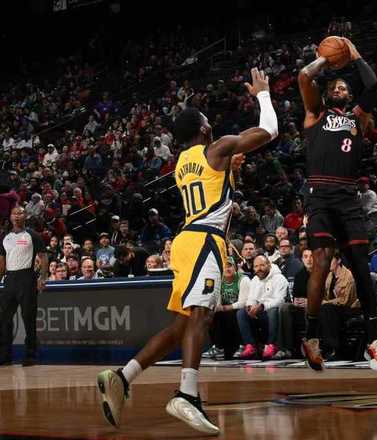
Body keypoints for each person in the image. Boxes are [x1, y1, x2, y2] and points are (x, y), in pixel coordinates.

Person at [96, 68, 277, 434]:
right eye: (208, 120)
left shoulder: (182, 162)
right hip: (205, 241)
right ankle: (187, 394)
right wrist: (263, 94)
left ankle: (122, 376)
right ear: (204, 128)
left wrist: (231, 170)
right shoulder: (217, 147)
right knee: (200, 317)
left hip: (186, 242)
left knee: (182, 325)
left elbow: (213, 186)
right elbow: (270, 130)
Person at [297, 38, 377, 370]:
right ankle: (312, 336)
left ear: (349, 95)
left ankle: (374, 340)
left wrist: (354, 53)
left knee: (361, 266)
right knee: (321, 261)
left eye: (343, 86)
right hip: (319, 194)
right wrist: (324, 58)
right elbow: (304, 77)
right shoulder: (315, 113)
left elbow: (373, 87)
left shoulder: (359, 118)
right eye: (333, 86)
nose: (338, 88)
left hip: (348, 196)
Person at [0, 207, 48, 366]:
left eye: (20, 213)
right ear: (10, 217)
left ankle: (30, 355)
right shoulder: (5, 237)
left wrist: (43, 277)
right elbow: (2, 261)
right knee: (4, 318)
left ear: (25, 216)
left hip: (27, 278)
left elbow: (43, 256)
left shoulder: (32, 235)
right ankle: (5, 355)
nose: (17, 216)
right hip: (9, 279)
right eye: (14, 213)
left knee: (28, 317)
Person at [237, 255, 288, 360]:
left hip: (275, 315)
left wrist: (262, 306)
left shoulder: (280, 278)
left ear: (269, 265)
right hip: (260, 314)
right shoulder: (255, 280)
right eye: (256, 266)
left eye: (262, 265)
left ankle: (271, 346)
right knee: (241, 313)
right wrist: (250, 307)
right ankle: (250, 346)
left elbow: (280, 300)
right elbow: (251, 298)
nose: (259, 269)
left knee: (272, 310)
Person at [206, 257, 249, 360]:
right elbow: (217, 301)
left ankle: (241, 346)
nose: (227, 269)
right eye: (224, 267)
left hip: (241, 310)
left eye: (229, 266)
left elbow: (244, 302)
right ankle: (218, 347)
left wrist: (226, 308)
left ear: (235, 267)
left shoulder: (243, 279)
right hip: (226, 311)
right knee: (211, 314)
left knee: (236, 313)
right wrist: (217, 308)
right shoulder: (219, 281)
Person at [319, 252, 360, 359]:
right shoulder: (329, 275)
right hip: (333, 308)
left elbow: (345, 300)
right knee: (318, 309)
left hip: (350, 308)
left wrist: (326, 302)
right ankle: (318, 345)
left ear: (338, 260)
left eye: (330, 260)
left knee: (327, 309)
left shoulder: (348, 276)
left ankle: (333, 348)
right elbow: (324, 295)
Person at [274, 249, 313, 360]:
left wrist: (309, 301)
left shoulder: (321, 273)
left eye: (311, 256)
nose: (309, 259)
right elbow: (296, 294)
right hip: (300, 306)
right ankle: (285, 348)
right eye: (305, 256)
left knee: (309, 309)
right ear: (302, 259)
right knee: (284, 307)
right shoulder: (300, 274)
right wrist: (295, 301)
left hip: (315, 305)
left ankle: (309, 344)